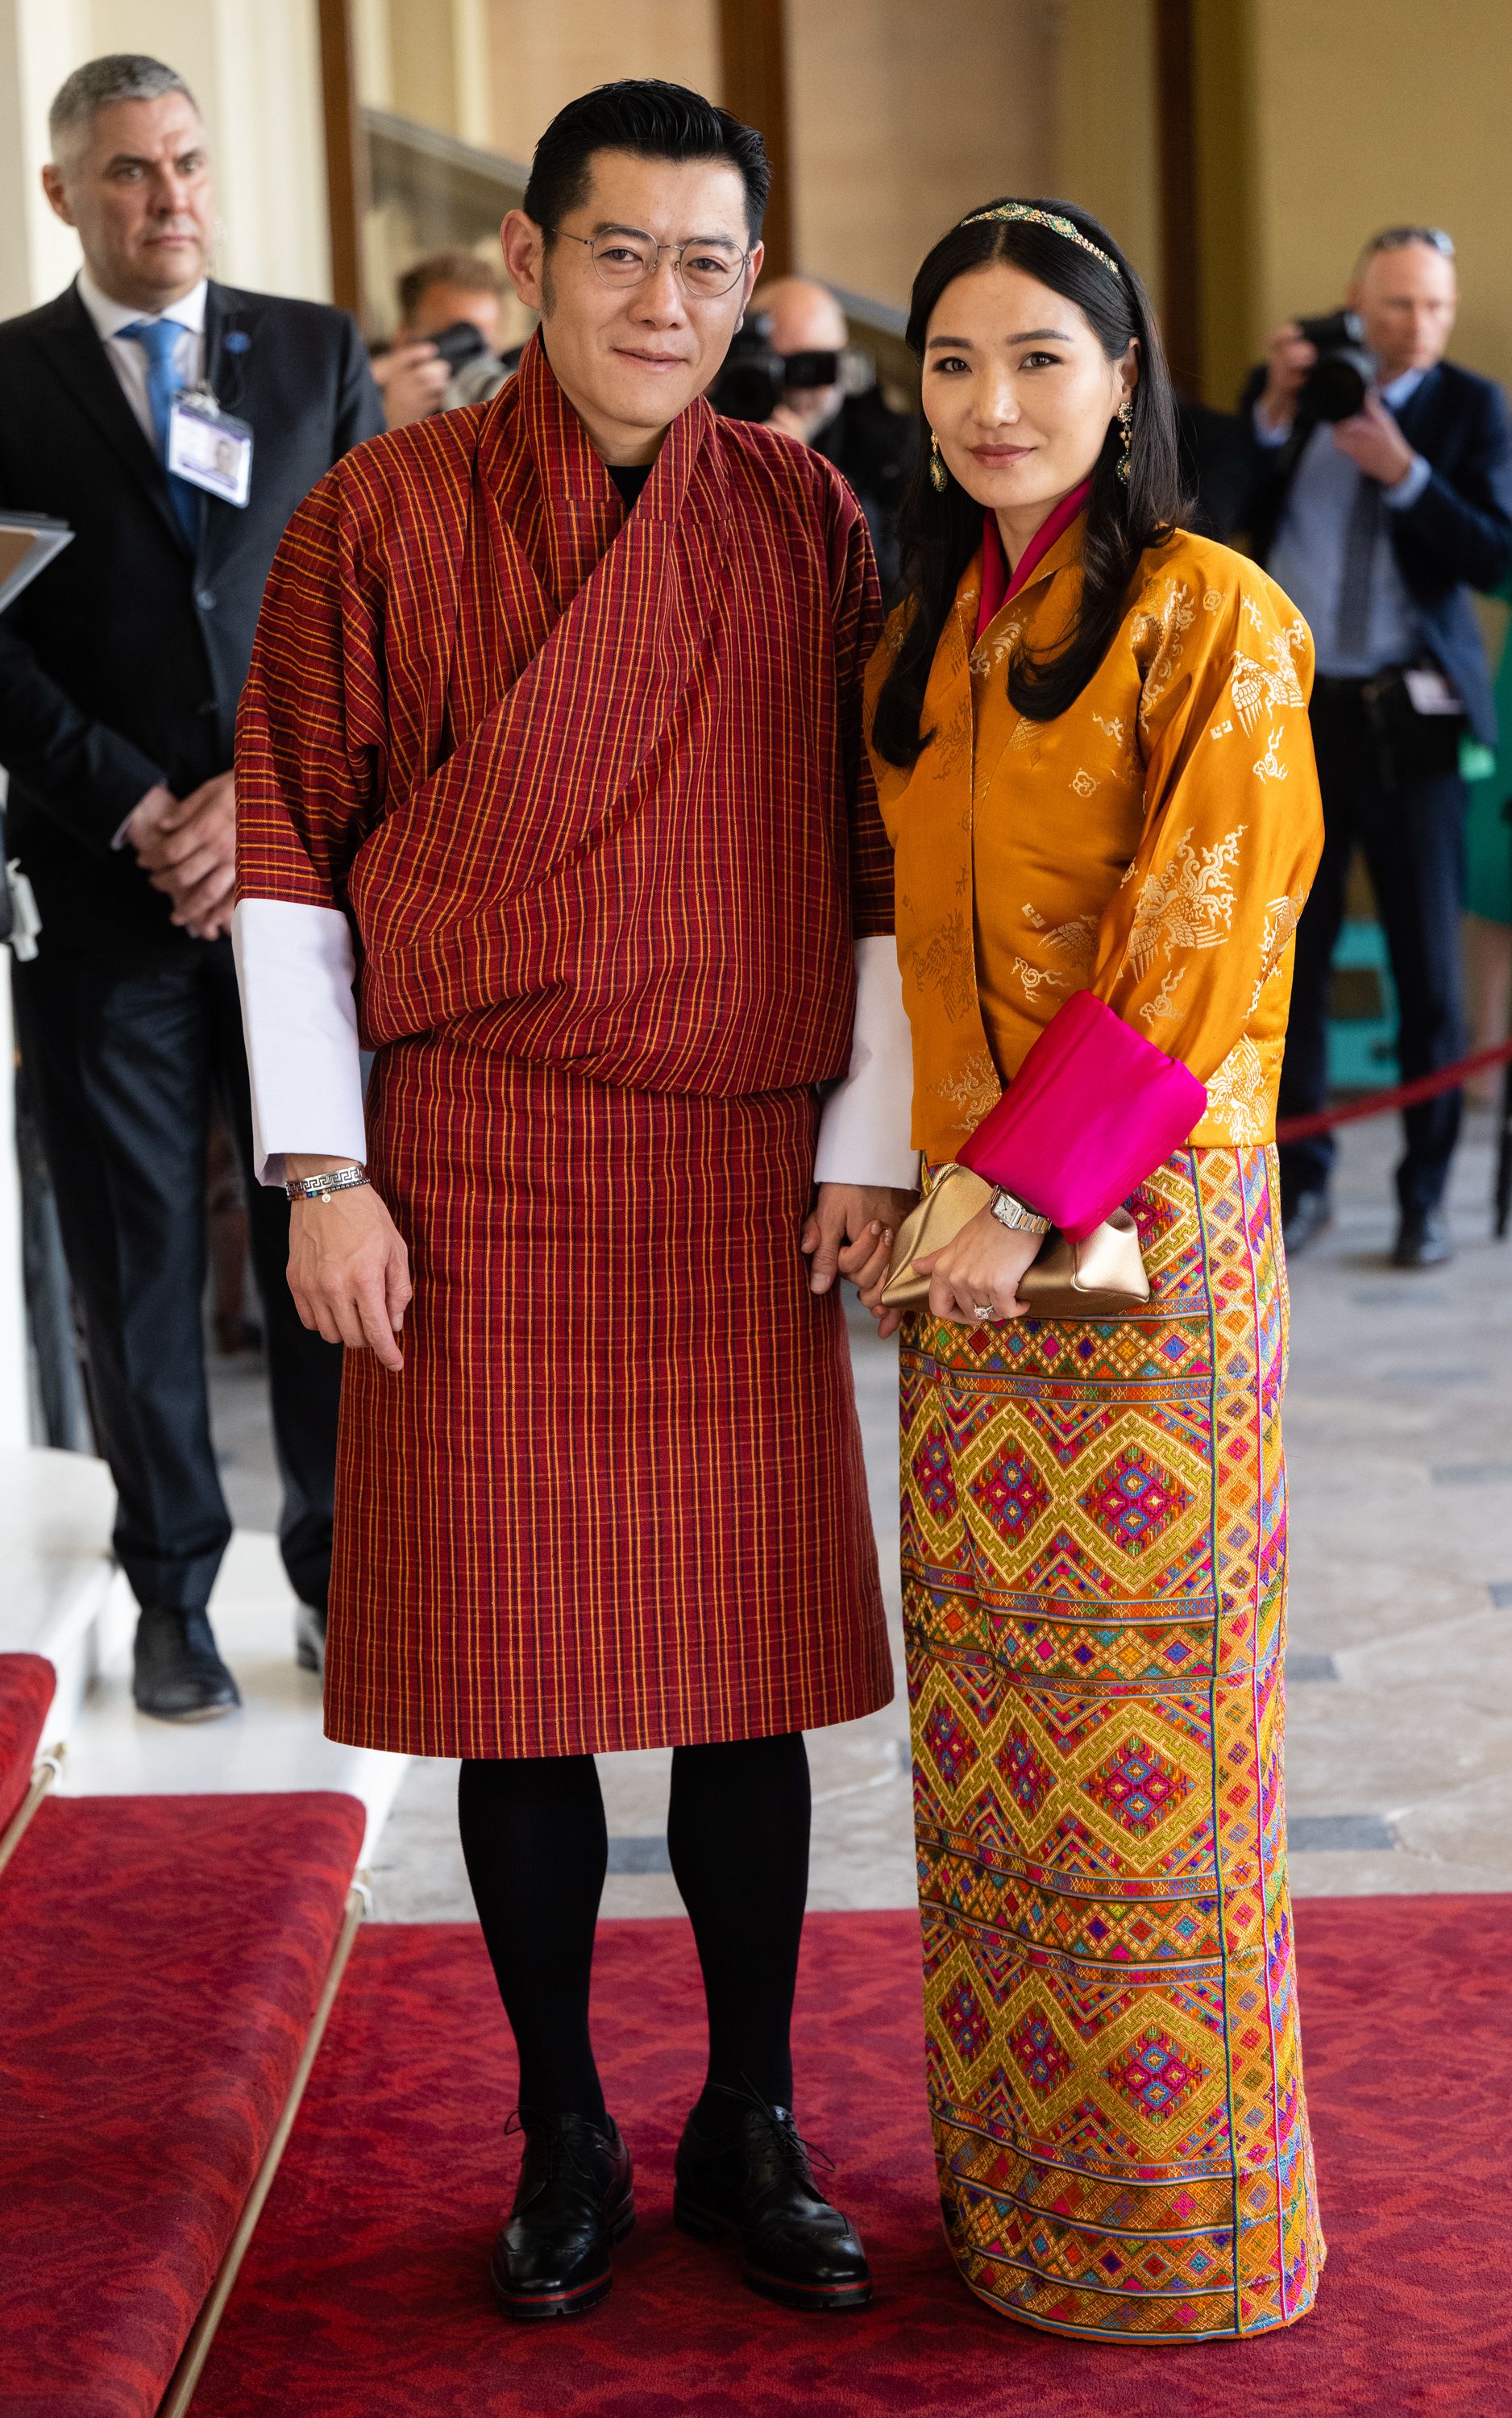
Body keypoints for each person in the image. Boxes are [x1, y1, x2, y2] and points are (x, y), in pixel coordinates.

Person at [233, 81, 918, 2324]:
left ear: (748, 288)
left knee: (744, 1687)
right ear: (529, 262)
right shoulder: (376, 520)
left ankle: (750, 2120)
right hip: (469, 1164)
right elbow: (284, 861)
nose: (664, 301)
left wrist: (858, 1146)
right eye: (620, 253)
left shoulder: (804, 518)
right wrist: (322, 1168)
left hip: (732, 1162)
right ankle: (559, 2129)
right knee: (513, 1692)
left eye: (708, 265)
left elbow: (870, 860)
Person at [856, 196, 1326, 2338]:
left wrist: (1019, 1187)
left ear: (1125, 378)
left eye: (1038, 356)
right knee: (991, 1742)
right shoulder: (927, 622)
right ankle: (1027, 2211)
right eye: (952, 362)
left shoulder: (1208, 611)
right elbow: (888, 936)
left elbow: (1203, 935)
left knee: (1148, 1741)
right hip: (968, 1246)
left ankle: (1188, 2228)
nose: (990, 403)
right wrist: (907, 1177)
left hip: (1136, 1237)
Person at [0, 53, 381, 1714]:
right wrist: (139, 803)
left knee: (319, 1235)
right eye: (131, 172)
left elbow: (371, 610)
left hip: (293, 893)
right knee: (136, 1258)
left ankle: (331, 1573)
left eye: (187, 163)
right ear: (62, 194)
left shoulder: (311, 353)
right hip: (99, 898)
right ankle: (171, 1593)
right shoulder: (5, 381)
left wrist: (257, 803)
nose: (169, 199)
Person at [1243, 226, 1512, 1265]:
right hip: (1296, 717)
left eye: (1436, 307)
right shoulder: (1299, 391)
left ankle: (1423, 1198)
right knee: (1291, 966)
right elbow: (1223, 523)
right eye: (1398, 306)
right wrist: (1270, 418)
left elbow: (1495, 554)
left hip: (1417, 721)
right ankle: (1301, 1190)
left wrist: (1404, 475)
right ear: (1355, 301)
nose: (1418, 328)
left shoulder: (1468, 408)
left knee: (1429, 973)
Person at [756, 275, 915, 590]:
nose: (795, 391)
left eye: (815, 368)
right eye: (775, 368)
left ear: (845, 365)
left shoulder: (895, 446)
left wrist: (815, 485)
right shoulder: (703, 426)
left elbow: (899, 594)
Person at [376, 247, 516, 430]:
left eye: (484, 345)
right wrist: (392, 425)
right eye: (460, 342)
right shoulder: (364, 398)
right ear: (404, 340)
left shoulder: (510, 393)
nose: (476, 360)